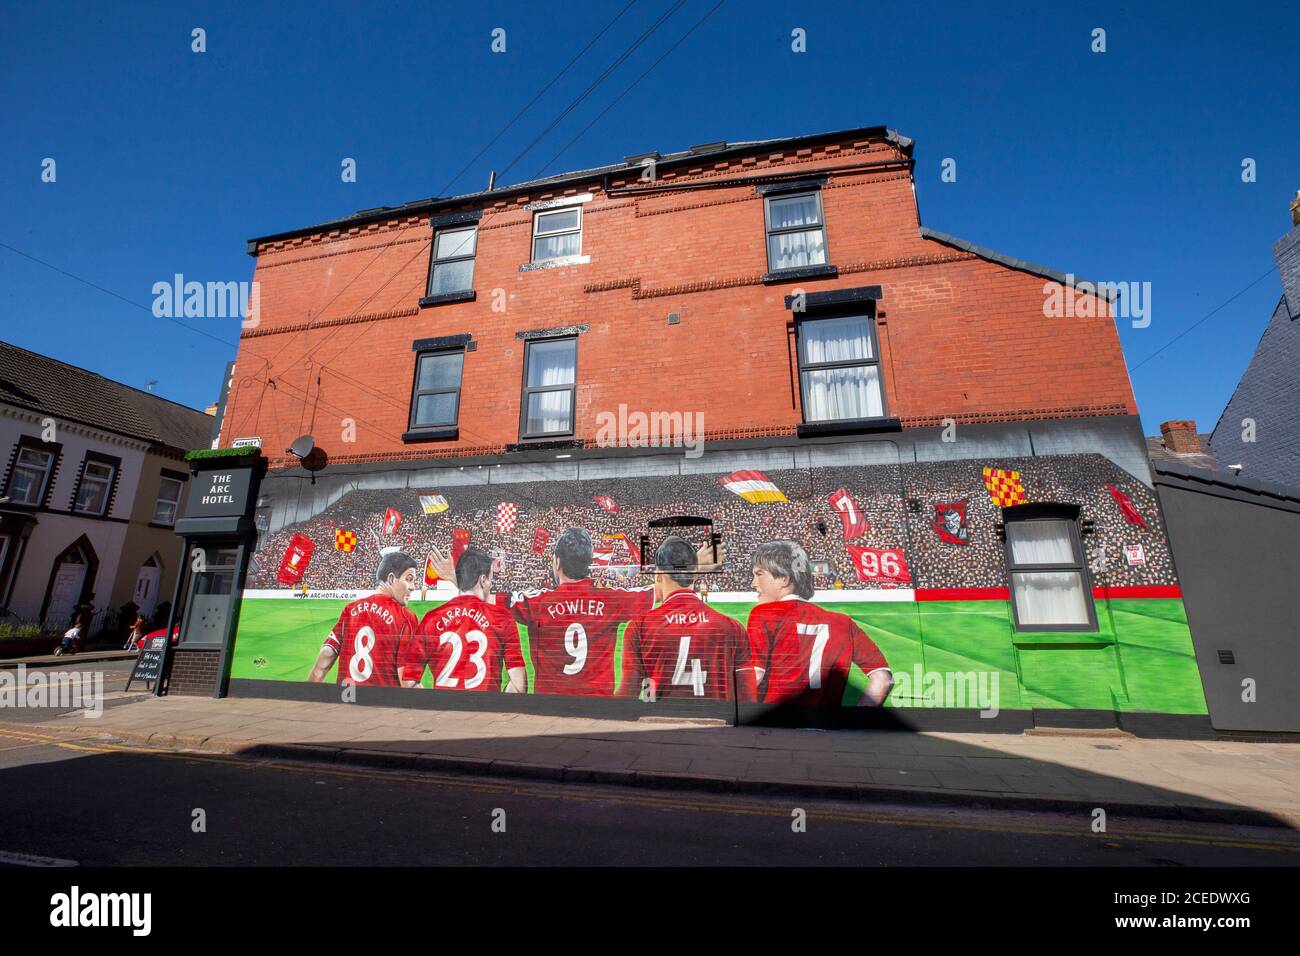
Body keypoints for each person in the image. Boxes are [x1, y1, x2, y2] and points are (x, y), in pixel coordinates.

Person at [746, 540, 892, 707]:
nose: (753, 583)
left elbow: (755, 676)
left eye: (759, 574)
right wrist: (856, 720)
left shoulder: (764, 613)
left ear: (784, 579)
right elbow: (882, 679)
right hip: (827, 726)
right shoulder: (844, 623)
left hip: (778, 725)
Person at [620, 536, 756, 701]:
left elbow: (626, 696)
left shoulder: (639, 627)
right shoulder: (733, 628)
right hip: (715, 724)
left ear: (658, 575)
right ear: (695, 575)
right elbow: (747, 699)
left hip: (657, 721)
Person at [399, 546, 526, 693]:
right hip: (486, 711)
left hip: (443, 712)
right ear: (483, 580)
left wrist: (435, 706)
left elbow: (408, 683)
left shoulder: (431, 619)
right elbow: (519, 686)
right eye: (491, 579)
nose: (491, 585)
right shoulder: (502, 618)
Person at [307, 548, 420, 686]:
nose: (413, 587)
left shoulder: (350, 610)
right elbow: (407, 682)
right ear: (391, 579)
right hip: (381, 704)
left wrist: (309, 696)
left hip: (346, 698)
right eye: (409, 579)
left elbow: (326, 655)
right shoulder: (406, 618)